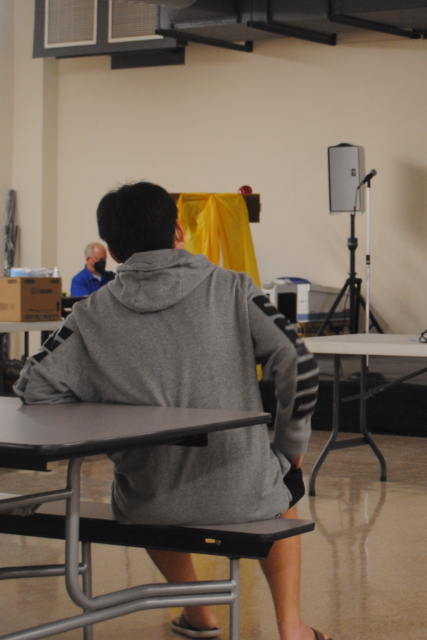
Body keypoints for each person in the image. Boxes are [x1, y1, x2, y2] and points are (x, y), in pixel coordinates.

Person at [16, 182, 331, 640]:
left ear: (115, 251)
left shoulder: (89, 313)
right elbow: (299, 363)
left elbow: (34, 385)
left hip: (150, 497)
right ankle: (292, 628)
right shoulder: (233, 287)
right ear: (179, 231)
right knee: (282, 489)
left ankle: (200, 616)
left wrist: (112, 414)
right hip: (244, 488)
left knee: (141, 489)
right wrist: (291, 448)